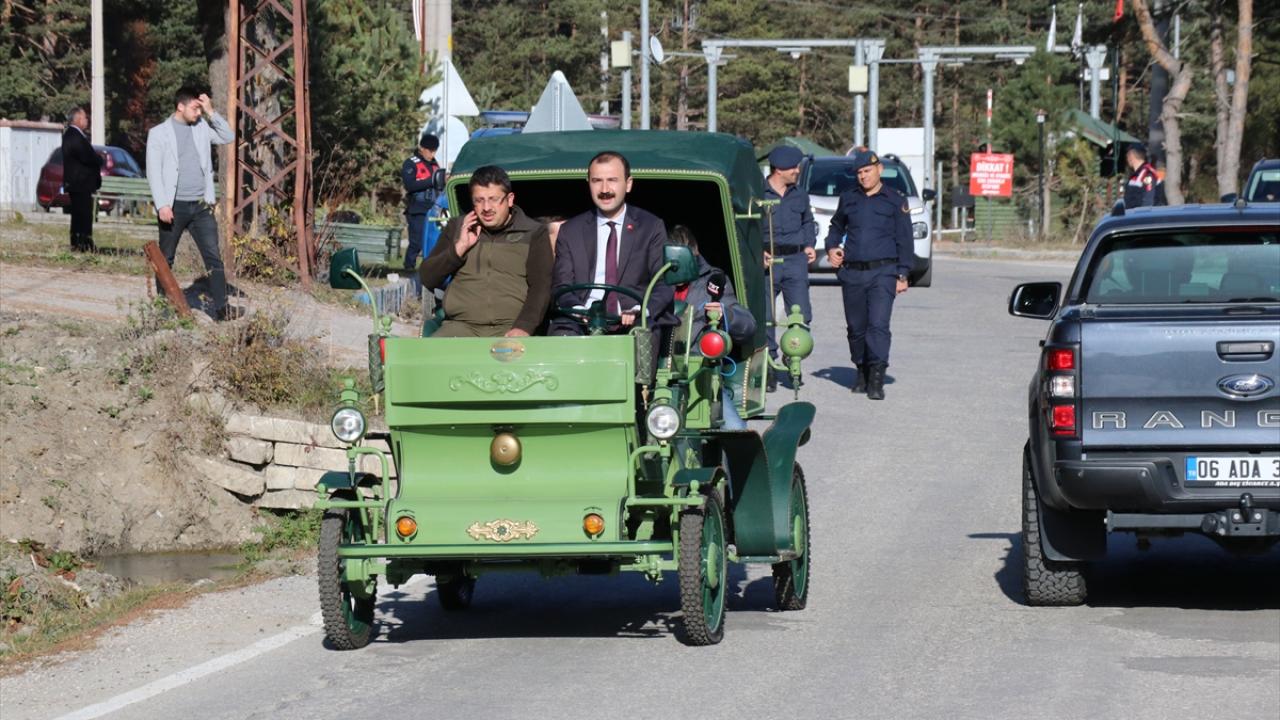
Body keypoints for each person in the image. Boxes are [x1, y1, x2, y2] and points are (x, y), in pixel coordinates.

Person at [417, 165, 552, 338]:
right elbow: (428, 278)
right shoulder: (457, 227)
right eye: (479, 200)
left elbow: (541, 287)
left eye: (494, 199)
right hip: (460, 326)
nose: (486, 208)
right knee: (430, 354)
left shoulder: (533, 233)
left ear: (510, 199)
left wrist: (524, 327)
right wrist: (459, 248)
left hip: (511, 328)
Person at [550, 151, 673, 335]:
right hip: (582, 322)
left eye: (612, 180)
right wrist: (578, 310)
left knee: (645, 334)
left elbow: (664, 283)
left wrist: (641, 310)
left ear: (628, 184)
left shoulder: (651, 227)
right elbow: (562, 286)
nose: (605, 189)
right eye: (597, 181)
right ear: (588, 184)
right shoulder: (570, 231)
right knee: (561, 332)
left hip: (634, 321)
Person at [825, 149, 913, 401]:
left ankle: (876, 377)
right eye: (859, 173)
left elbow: (905, 239)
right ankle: (861, 369)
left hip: (883, 272)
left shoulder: (895, 200)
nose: (863, 176)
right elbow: (836, 226)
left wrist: (903, 274)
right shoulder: (848, 198)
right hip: (852, 273)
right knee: (856, 328)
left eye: (867, 171)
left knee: (878, 325)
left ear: (879, 169)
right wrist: (832, 248)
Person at [146, 85, 237, 320]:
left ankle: (222, 308)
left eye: (200, 109)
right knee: (166, 258)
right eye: (195, 108)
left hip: (201, 206)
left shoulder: (202, 127)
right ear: (180, 106)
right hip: (173, 206)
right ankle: (164, 309)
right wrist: (162, 205)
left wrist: (210, 111)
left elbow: (228, 136)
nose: (198, 112)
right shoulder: (158, 133)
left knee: (213, 256)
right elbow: (154, 172)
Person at [668, 225, 755, 429]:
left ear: (695, 254)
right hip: (657, 373)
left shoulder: (713, 282)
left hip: (701, 377)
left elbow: (748, 326)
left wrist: (725, 313)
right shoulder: (652, 282)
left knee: (735, 429)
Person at [761, 146, 817, 392]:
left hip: (795, 261)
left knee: (802, 315)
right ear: (779, 169)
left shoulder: (800, 194)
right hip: (768, 261)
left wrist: (809, 244)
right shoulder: (757, 193)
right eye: (793, 167)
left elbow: (808, 222)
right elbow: (747, 228)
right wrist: (757, 252)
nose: (797, 170)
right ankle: (769, 366)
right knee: (766, 317)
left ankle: (793, 355)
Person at [61, 107, 102, 253]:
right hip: (79, 182)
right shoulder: (74, 136)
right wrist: (99, 159)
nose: (87, 120)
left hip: (80, 182)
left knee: (81, 214)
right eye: (85, 117)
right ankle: (82, 243)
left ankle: (80, 242)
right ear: (78, 119)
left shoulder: (74, 135)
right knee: (82, 214)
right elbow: (86, 156)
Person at [402, 133, 441, 276]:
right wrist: (431, 181)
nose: (432, 154)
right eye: (430, 151)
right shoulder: (410, 163)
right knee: (416, 241)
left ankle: (430, 268)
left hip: (434, 208)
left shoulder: (435, 164)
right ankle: (409, 266)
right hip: (417, 208)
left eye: (434, 151)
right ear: (422, 148)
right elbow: (410, 185)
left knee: (434, 240)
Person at [1123, 144, 1162, 209]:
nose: (1127, 159)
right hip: (1132, 214)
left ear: (1131, 155)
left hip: (1143, 214)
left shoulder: (1147, 174)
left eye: (1127, 156)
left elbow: (1148, 202)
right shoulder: (1136, 176)